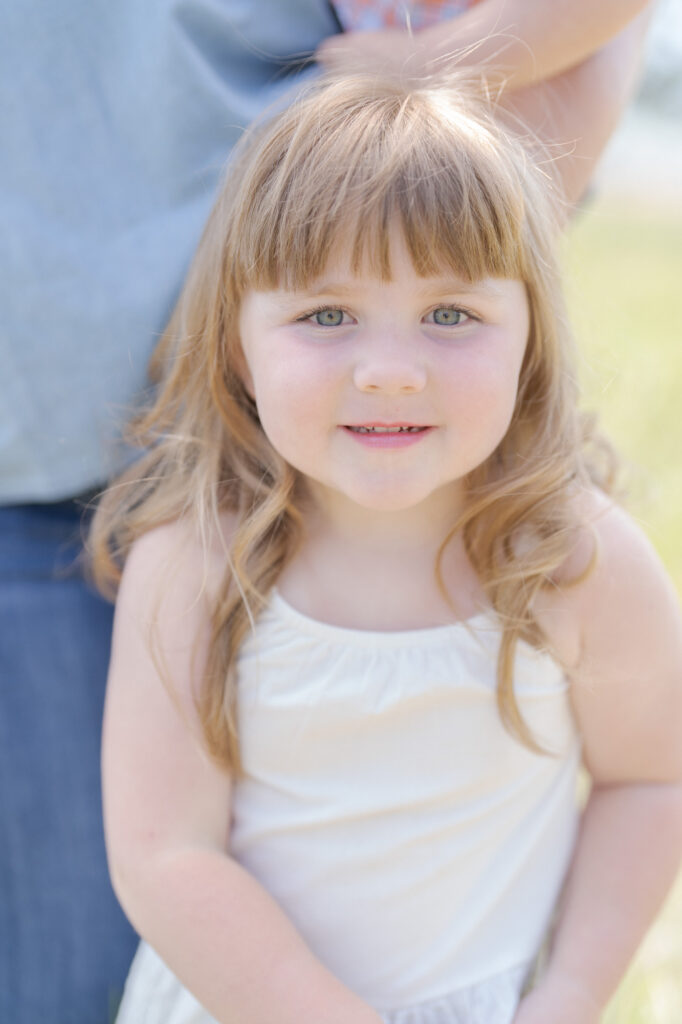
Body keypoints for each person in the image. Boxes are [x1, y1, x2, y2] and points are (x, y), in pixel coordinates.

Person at [0, 2, 654, 1022]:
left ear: (532, 332)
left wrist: (568, 995)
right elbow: (164, 851)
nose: (389, 371)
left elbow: (650, 778)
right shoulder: (199, 562)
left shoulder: (567, 556)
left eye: (450, 314)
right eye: (325, 315)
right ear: (235, 342)